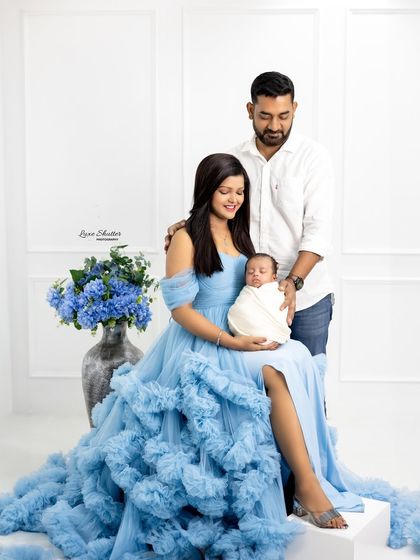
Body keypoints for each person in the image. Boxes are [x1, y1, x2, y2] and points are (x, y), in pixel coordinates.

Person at [0, 154, 417, 559]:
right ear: (206, 190)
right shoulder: (185, 238)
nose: (234, 199)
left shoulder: (239, 233)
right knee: (273, 371)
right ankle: (307, 487)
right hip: (203, 339)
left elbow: (253, 287)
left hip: (237, 329)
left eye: (239, 192)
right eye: (224, 191)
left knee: (298, 358)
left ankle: (305, 476)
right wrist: (231, 342)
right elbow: (180, 312)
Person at [165, 71, 334, 358]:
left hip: (306, 299)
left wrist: (292, 282)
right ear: (250, 110)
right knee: (255, 383)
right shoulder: (235, 159)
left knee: (305, 377)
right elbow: (221, 210)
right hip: (247, 301)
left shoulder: (313, 158)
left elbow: (318, 232)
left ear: (294, 109)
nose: (275, 126)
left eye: (283, 116)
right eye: (265, 116)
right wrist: (189, 228)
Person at [227, 253, 291, 344]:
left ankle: (268, 336)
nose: (256, 274)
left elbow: (279, 311)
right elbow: (239, 310)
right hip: (245, 336)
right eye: (250, 272)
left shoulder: (276, 292)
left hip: (273, 334)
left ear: (274, 277)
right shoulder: (246, 292)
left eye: (262, 271)